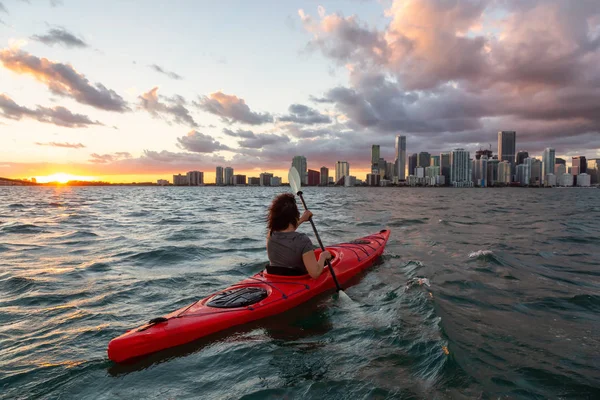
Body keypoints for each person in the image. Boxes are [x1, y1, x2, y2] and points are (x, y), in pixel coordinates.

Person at [266, 193, 332, 278]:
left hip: (275, 277)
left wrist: (302, 219)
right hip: (297, 279)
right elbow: (315, 274)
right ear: (295, 216)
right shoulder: (302, 240)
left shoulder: (271, 234)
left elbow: (286, 229)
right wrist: (323, 256)